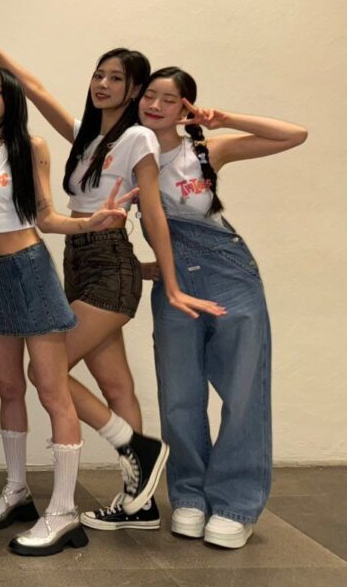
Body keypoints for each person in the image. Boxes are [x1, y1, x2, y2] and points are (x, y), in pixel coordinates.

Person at [0, 9, 223, 532]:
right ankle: (140, 501)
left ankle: (137, 448)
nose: (103, 84)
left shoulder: (138, 139)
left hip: (108, 263)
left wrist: (170, 280)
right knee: (116, 385)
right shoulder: (86, 136)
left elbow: (152, 211)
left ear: (134, 91)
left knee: (45, 373)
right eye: (99, 75)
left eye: (116, 79)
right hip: (79, 260)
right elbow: (34, 90)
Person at [0, 67, 133, 555]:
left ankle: (62, 511)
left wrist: (90, 223)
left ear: (11, 101)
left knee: (52, 389)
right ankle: (17, 490)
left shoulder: (29, 146)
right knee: (9, 387)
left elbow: (45, 216)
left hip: (29, 268)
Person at [139, 67, 306, 548]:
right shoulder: (128, 154)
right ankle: (190, 494)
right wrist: (143, 267)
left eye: (169, 99)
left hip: (230, 276)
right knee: (179, 394)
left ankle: (235, 502)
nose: (155, 105)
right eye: (149, 94)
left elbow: (295, 134)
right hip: (175, 283)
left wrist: (224, 119)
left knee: (242, 390)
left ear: (185, 107)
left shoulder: (205, 152)